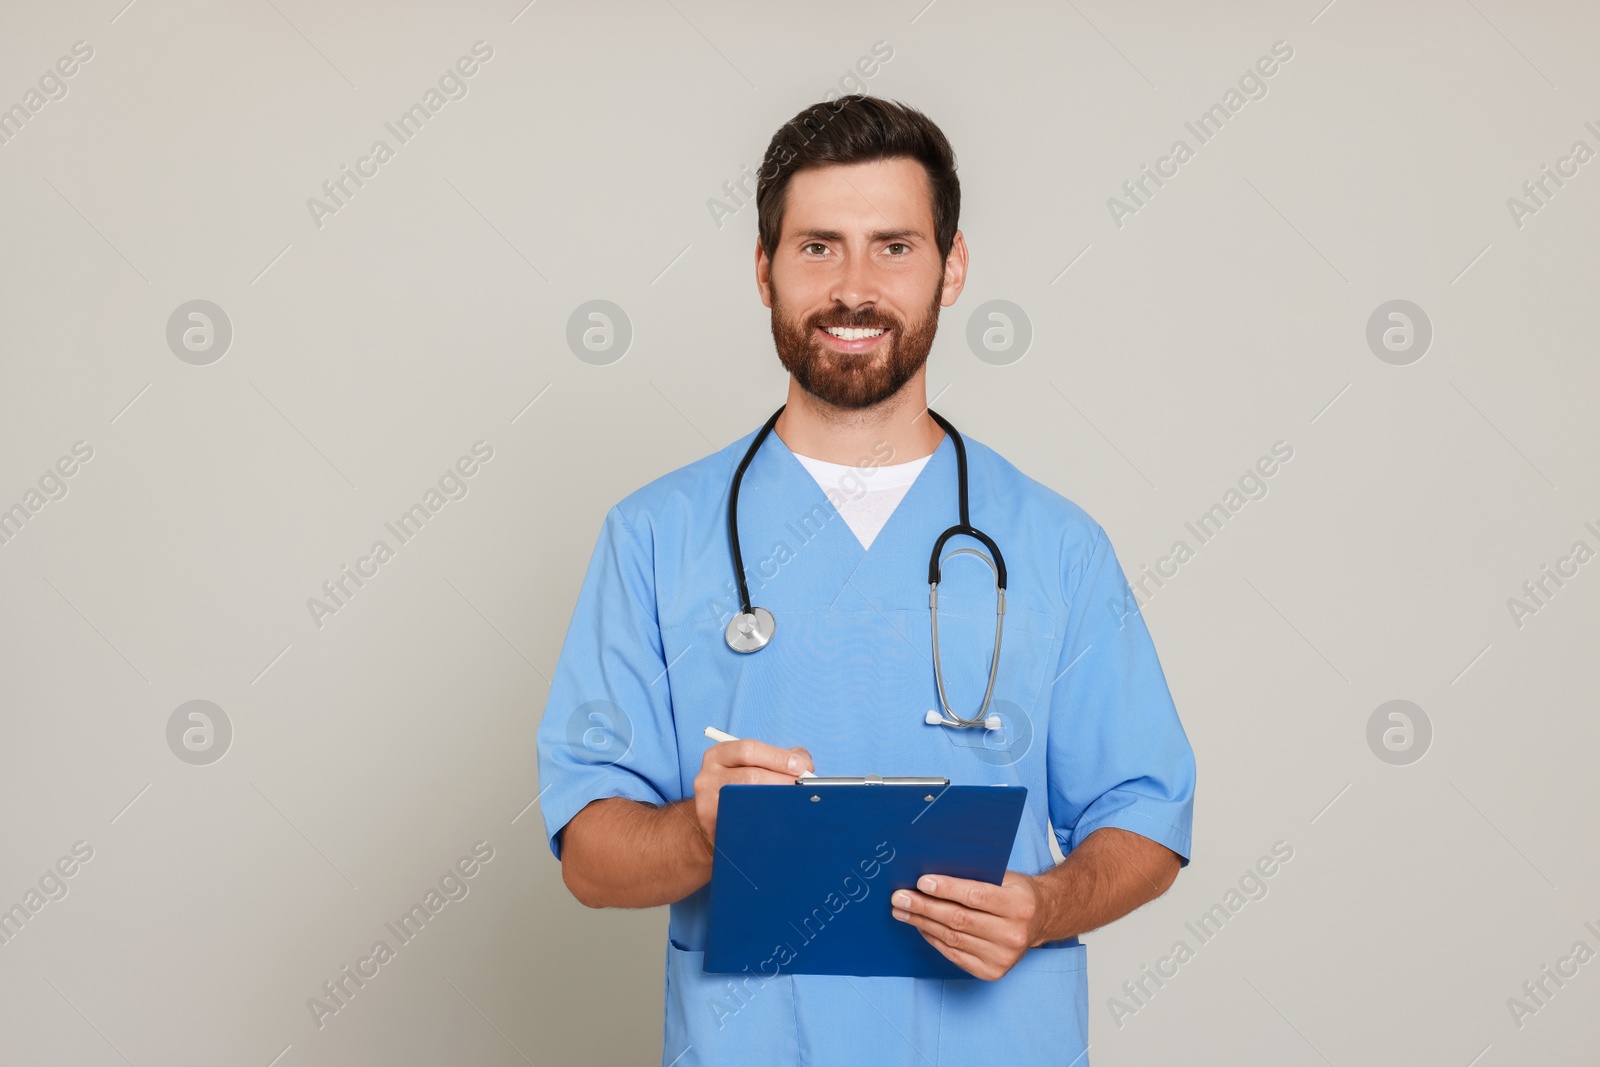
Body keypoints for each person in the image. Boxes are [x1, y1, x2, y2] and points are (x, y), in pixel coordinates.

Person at [535, 94, 1196, 1066]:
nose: (853, 286)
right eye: (816, 247)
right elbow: (590, 854)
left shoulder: (1053, 544)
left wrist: (1044, 904)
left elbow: (1145, 810)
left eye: (893, 245)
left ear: (951, 266)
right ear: (763, 271)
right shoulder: (655, 536)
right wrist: (699, 829)